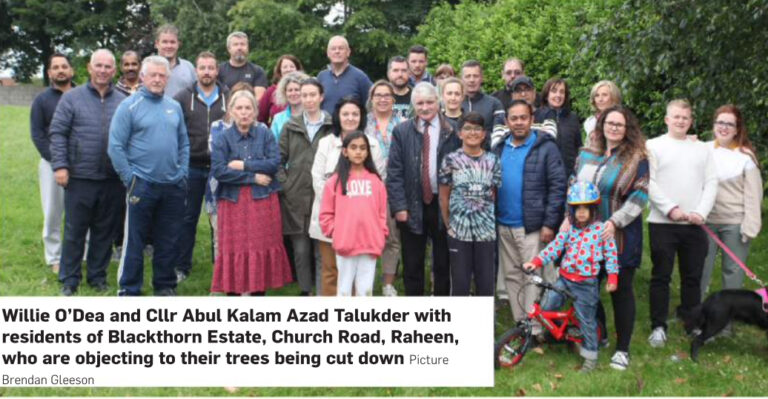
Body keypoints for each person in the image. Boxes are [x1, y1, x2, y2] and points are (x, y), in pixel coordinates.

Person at [569, 105, 649, 371]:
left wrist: (616, 221)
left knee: (621, 291)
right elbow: (573, 187)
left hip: (620, 235)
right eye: (610, 123)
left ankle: (622, 349)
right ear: (601, 124)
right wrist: (567, 222)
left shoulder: (636, 158)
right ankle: (598, 336)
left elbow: (640, 195)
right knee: (587, 288)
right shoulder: (586, 154)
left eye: (620, 124)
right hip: (586, 237)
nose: (614, 128)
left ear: (627, 130)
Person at [108, 55, 190, 296]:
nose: (157, 79)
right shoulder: (128, 106)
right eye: (152, 74)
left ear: (167, 78)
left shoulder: (173, 106)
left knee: (168, 240)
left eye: (161, 75)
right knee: (135, 241)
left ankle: (164, 286)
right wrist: (131, 180)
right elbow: (115, 146)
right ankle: (129, 289)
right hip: (141, 185)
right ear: (142, 77)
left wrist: (182, 173)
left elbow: (184, 144)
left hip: (173, 185)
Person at [49, 49, 126, 296]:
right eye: (99, 66)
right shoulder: (72, 98)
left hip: (112, 179)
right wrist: (60, 166)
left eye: (108, 66)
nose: (103, 70)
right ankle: (69, 280)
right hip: (80, 177)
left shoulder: (124, 101)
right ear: (89, 68)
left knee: (105, 231)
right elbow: (58, 133)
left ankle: (97, 277)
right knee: (75, 231)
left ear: (114, 71)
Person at [524, 181, 618, 373]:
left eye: (586, 208)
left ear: (594, 209)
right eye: (577, 209)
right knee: (547, 307)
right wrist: (537, 261)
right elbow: (555, 247)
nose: (581, 212)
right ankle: (561, 333)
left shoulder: (601, 231)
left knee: (586, 320)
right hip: (564, 279)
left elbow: (611, 255)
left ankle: (590, 357)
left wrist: (613, 278)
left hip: (586, 283)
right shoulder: (569, 230)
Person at [646, 99, 718, 347]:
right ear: (667, 119)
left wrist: (701, 211)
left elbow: (711, 182)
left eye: (685, 118)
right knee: (661, 276)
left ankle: (693, 324)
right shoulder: (653, 146)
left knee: (692, 277)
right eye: (676, 117)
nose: (680, 121)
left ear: (691, 121)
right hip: (662, 223)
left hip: (694, 225)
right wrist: (670, 208)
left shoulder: (703, 149)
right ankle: (658, 326)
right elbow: (649, 182)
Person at [210, 90, 292, 295]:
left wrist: (243, 165)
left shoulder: (265, 133)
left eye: (248, 108)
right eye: (239, 108)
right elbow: (220, 170)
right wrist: (252, 177)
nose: (244, 113)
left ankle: (257, 294)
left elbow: (273, 163)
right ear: (231, 111)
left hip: (262, 200)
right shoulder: (223, 138)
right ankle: (234, 293)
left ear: (255, 111)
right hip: (232, 201)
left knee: (259, 246)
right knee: (235, 249)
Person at [493, 99, 566, 323]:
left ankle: (534, 328)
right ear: (507, 122)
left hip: (532, 226)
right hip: (504, 223)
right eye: (513, 118)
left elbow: (558, 187)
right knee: (513, 276)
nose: (518, 123)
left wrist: (549, 224)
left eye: (523, 118)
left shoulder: (547, 148)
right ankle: (520, 323)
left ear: (532, 120)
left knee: (533, 277)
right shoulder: (499, 147)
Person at [386, 82, 461, 296]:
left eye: (430, 102)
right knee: (412, 263)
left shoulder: (453, 131)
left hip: (444, 205)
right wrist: (399, 206)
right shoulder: (402, 131)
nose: (425, 107)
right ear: (413, 105)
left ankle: (441, 309)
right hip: (412, 204)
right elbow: (395, 172)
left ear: (438, 102)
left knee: (443, 263)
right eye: (420, 103)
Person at [310, 96, 385, 296]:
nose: (350, 118)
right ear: (338, 117)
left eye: (355, 114)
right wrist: (339, 221)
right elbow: (318, 178)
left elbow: (380, 182)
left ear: (361, 117)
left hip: (366, 228)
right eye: (345, 114)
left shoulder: (373, 144)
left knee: (361, 279)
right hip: (334, 222)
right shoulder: (326, 143)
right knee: (332, 272)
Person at [172, 51, 230, 283]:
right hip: (191, 166)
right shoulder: (182, 97)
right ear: (196, 70)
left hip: (220, 168)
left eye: (211, 67)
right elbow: (174, 132)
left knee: (222, 219)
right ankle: (181, 266)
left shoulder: (228, 96)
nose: (207, 72)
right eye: (202, 67)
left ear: (217, 70)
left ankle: (222, 265)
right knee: (187, 218)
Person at [278, 77, 334, 295]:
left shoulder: (331, 126)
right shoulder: (290, 126)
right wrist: (285, 184)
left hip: (324, 196)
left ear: (321, 97)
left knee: (322, 249)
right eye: (304, 95)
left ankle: (322, 293)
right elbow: (277, 159)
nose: (308, 100)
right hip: (296, 196)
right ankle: (305, 291)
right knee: (300, 250)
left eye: (313, 95)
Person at [700, 105, 763, 300]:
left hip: (734, 224)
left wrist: (750, 227)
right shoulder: (702, 150)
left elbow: (754, 196)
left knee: (733, 272)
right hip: (705, 221)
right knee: (700, 268)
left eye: (730, 124)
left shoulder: (745, 157)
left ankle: (726, 321)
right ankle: (696, 313)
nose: (724, 127)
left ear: (737, 129)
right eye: (720, 122)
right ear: (714, 125)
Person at [438, 112, 501, 296]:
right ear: (460, 133)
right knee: (460, 284)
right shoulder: (451, 160)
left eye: (477, 129)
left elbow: (493, 194)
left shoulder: (493, 160)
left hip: (485, 234)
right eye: (467, 128)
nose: (472, 133)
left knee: (486, 284)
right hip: (459, 232)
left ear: (484, 134)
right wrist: (449, 224)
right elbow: (444, 196)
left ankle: (482, 324)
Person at [320, 132, 389, 296]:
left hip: (370, 243)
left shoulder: (376, 182)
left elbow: (382, 213)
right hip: (345, 243)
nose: (358, 152)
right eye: (353, 147)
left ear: (367, 152)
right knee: (343, 290)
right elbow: (326, 214)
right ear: (345, 151)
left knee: (365, 291)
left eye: (362, 148)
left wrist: (381, 233)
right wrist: (336, 232)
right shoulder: (334, 182)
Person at [30, 53, 75, 274]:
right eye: (55, 67)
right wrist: (58, 163)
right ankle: (55, 257)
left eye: (64, 66)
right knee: (53, 212)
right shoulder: (42, 100)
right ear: (49, 73)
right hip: (52, 165)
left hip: (80, 165)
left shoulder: (82, 95)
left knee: (81, 211)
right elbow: (38, 134)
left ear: (72, 70)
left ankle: (82, 253)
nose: (60, 70)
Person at [205, 82, 255, 269]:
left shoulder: (260, 130)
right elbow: (219, 161)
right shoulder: (217, 127)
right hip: (219, 189)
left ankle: (245, 278)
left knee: (247, 238)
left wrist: (242, 163)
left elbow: (262, 160)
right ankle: (222, 279)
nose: (242, 109)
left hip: (249, 191)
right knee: (221, 237)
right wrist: (247, 164)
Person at [365, 81, 403, 296]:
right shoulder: (363, 123)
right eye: (378, 95)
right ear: (372, 99)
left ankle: (388, 283)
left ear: (393, 99)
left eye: (386, 95)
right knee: (367, 236)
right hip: (368, 189)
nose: (382, 99)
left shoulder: (403, 123)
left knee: (391, 237)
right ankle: (365, 282)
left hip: (394, 187)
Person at [535, 77, 582, 178]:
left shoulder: (572, 118)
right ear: (546, 95)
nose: (558, 95)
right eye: (554, 91)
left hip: (568, 175)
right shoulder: (536, 116)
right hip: (543, 176)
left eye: (562, 92)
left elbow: (578, 147)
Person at [317, 35, 372, 114]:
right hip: (326, 126)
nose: (337, 51)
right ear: (328, 53)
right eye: (333, 49)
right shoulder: (321, 77)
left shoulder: (360, 77)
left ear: (348, 52)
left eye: (341, 48)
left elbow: (372, 104)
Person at [218, 32, 269, 101]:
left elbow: (259, 99)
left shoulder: (258, 71)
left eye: (242, 44)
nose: (239, 48)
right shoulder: (219, 70)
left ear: (247, 48)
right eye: (235, 44)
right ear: (229, 49)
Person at [460, 60, 505, 137]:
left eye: (475, 76)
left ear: (482, 78)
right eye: (468, 76)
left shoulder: (495, 104)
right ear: (461, 79)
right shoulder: (454, 104)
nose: (472, 80)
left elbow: (499, 136)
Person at [258, 54, 303, 125]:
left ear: (297, 69)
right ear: (279, 71)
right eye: (285, 67)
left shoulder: (305, 88)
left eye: (292, 66)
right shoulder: (271, 91)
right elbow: (260, 116)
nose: (288, 69)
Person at [154, 24, 196, 98]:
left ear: (178, 44)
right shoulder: (147, 67)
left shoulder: (188, 67)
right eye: (165, 42)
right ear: (157, 44)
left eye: (172, 42)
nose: (169, 46)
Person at [270, 71, 310, 140]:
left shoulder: (313, 116)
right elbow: (273, 145)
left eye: (297, 90)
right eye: (290, 90)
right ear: (284, 93)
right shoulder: (278, 119)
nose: (293, 93)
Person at [583, 80, 621, 146]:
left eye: (604, 95)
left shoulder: (622, 120)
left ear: (613, 97)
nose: (600, 99)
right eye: (597, 95)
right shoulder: (590, 122)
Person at [386, 56, 412, 120]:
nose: (400, 74)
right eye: (396, 70)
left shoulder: (417, 96)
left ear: (409, 73)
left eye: (404, 70)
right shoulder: (380, 96)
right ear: (388, 74)